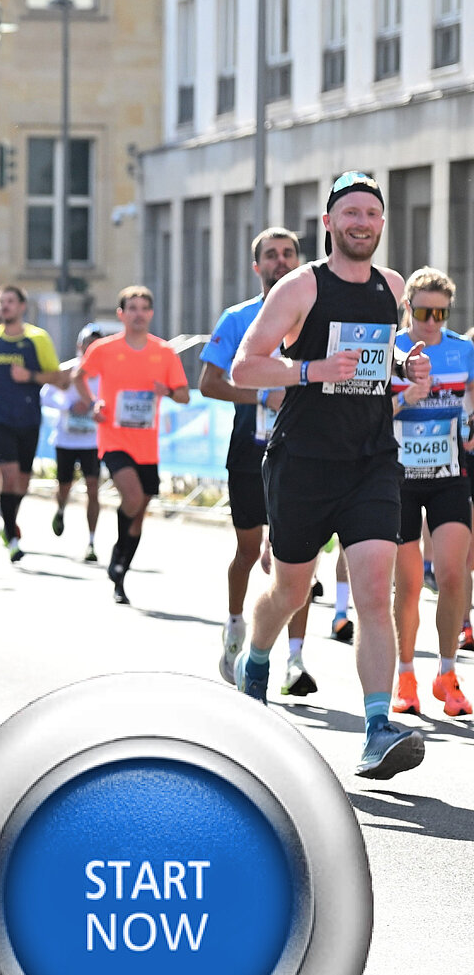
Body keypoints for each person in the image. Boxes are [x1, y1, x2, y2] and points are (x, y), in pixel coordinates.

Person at [231, 171, 427, 779]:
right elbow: (244, 368)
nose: (361, 223)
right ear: (329, 223)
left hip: (371, 460)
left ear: (382, 224)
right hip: (303, 462)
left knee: (373, 591)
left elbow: (373, 360)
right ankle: (257, 660)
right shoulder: (299, 287)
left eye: (371, 213)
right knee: (292, 590)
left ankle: (376, 728)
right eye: (350, 213)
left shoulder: (390, 288)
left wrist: (405, 374)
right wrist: (310, 369)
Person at [198, 227, 319, 694]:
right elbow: (208, 381)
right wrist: (260, 397)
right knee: (250, 550)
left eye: (289, 253)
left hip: (303, 451)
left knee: (297, 559)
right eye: (272, 255)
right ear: (258, 267)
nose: (281, 261)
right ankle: (234, 629)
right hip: (250, 449)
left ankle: (295, 660)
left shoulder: (315, 316)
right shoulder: (238, 317)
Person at [388, 268, 474, 716]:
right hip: (399, 478)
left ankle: (447, 674)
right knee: (407, 584)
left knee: (453, 574)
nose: (433, 321)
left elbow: (471, 399)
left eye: (441, 312)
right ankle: (406, 675)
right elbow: (368, 411)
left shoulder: (463, 350)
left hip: (447, 476)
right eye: (424, 311)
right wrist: (408, 398)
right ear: (408, 308)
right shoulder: (391, 351)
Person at [86, 286, 191, 605]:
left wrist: (168, 391)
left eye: (144, 308)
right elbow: (79, 376)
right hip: (114, 439)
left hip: (147, 445)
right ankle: (118, 552)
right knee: (130, 497)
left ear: (152, 314)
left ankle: (121, 570)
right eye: (132, 308)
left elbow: (184, 394)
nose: (138, 313)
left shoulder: (164, 352)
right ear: (121, 314)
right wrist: (94, 403)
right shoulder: (104, 349)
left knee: (139, 510)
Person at [0, 285, 63, 562]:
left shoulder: (38, 338)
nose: (5, 306)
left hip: (29, 419)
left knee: (21, 483)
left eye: (10, 301)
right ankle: (12, 535)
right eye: (1, 302)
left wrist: (30, 377)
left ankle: (7, 516)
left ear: (22, 306)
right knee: (7, 476)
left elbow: (57, 377)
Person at [46, 325, 105, 563]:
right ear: (79, 346)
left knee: (93, 489)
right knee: (65, 486)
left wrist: (95, 406)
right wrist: (68, 406)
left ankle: (91, 541)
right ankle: (60, 510)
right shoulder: (67, 370)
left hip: (93, 440)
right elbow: (46, 395)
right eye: (87, 343)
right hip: (67, 439)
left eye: (96, 344)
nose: (91, 348)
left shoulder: (106, 373)